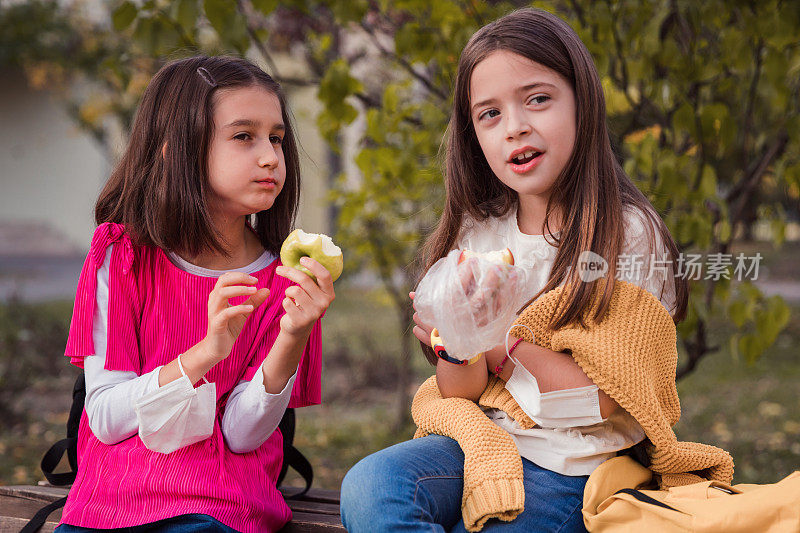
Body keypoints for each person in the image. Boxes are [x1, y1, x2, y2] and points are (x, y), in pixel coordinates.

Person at [340, 8, 691, 533]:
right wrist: (456, 343)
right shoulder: (478, 236)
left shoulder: (625, 234)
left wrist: (500, 339)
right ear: (473, 135)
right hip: (480, 442)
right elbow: (462, 392)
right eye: (490, 114)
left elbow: (599, 404)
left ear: (583, 102)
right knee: (371, 487)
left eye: (538, 99)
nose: (516, 126)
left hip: (576, 465)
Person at [56, 55, 335, 533]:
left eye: (276, 138)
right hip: (110, 503)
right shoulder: (122, 257)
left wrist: (293, 336)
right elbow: (103, 417)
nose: (269, 156)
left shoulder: (283, 278)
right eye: (243, 136)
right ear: (175, 150)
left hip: (220, 503)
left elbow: (241, 436)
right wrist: (204, 354)